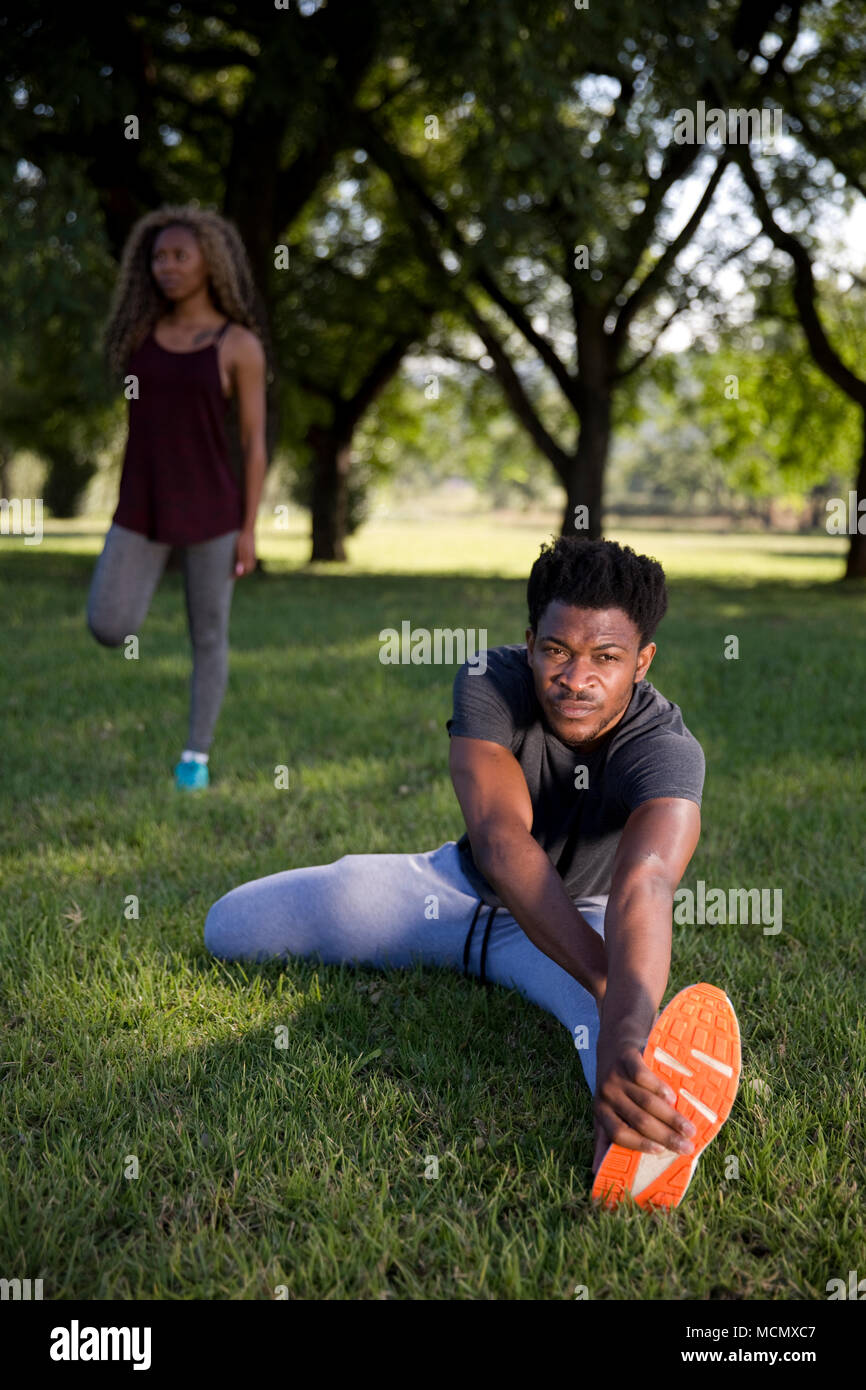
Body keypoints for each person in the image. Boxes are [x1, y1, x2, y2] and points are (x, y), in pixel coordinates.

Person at [203, 537, 740, 1207]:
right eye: (556, 651)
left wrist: (620, 1025)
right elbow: (498, 839)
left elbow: (646, 885)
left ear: (643, 660)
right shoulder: (491, 678)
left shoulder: (667, 749)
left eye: (606, 657)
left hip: (582, 918)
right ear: (529, 640)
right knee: (230, 926)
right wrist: (607, 982)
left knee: (623, 1042)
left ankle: (640, 1146)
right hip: (449, 894)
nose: (577, 679)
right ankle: (618, 1027)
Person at [87, 205, 270, 790]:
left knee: (208, 635)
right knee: (109, 624)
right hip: (140, 505)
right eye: (157, 257)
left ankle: (195, 756)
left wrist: (249, 528)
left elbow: (254, 443)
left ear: (208, 263)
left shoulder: (237, 344)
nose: (165, 266)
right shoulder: (140, 334)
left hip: (213, 511)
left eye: (178, 256)